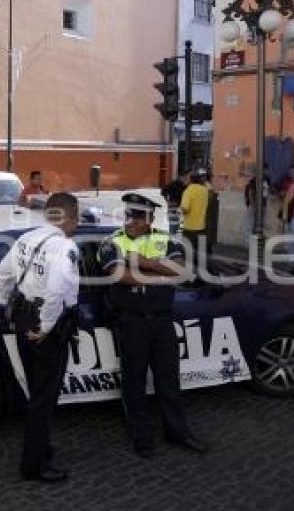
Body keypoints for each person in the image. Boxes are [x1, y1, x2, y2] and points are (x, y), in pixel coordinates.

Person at [97, 193, 206, 458]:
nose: (132, 221)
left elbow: (181, 269)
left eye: (138, 216)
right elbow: (119, 275)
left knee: (168, 379)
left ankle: (177, 431)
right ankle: (141, 436)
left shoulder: (165, 240)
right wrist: (159, 273)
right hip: (131, 321)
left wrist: (143, 263)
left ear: (150, 218)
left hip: (162, 320)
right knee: (134, 381)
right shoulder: (112, 241)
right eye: (129, 215)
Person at [0, 193, 80, 483]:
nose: (77, 224)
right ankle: (34, 465)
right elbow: (56, 291)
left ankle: (40, 448)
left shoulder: (26, 239)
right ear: (67, 217)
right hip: (45, 330)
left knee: (36, 393)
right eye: (76, 218)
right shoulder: (65, 247)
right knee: (43, 400)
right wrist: (45, 326)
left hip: (23, 321)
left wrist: (9, 303)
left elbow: (0, 275)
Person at [179, 169, 209, 267]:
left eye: (186, 178)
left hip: (189, 227)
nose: (185, 180)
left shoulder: (188, 191)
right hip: (201, 226)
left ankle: (189, 274)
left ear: (190, 180)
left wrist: (179, 209)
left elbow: (185, 208)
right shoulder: (204, 190)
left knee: (188, 254)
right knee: (199, 254)